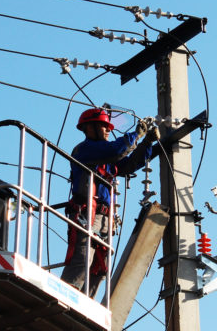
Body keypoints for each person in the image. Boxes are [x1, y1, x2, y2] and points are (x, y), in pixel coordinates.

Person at [60, 107, 158, 296]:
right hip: (87, 214)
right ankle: (66, 297)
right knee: (82, 260)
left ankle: (85, 305)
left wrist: (147, 142)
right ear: (90, 128)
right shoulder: (84, 150)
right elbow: (117, 150)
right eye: (104, 127)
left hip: (105, 218)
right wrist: (137, 133)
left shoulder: (104, 158)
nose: (108, 130)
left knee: (100, 267)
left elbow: (128, 165)